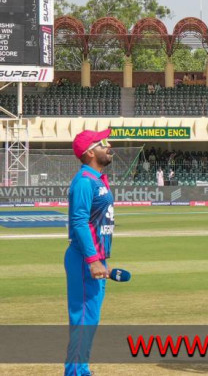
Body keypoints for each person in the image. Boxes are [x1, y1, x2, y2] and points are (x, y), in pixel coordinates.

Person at [64, 129, 115, 376]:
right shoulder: (85, 181)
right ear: (90, 152)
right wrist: (94, 260)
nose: (109, 145)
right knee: (83, 320)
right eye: (103, 142)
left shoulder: (96, 179)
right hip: (85, 259)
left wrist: (101, 258)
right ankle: (75, 372)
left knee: (89, 320)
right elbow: (79, 222)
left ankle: (81, 370)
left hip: (95, 257)